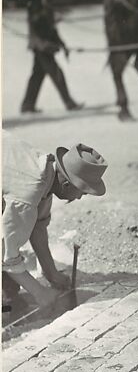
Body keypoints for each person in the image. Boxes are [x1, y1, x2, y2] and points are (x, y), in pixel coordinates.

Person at [2, 131, 108, 308]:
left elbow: (38, 229)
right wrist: (40, 293)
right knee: (8, 293)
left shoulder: (46, 172)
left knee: (11, 287)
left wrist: (52, 274)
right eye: (82, 191)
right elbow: (8, 257)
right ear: (67, 184)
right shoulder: (28, 193)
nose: (80, 197)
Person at [16, 0, 83, 114]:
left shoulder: (46, 7)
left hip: (42, 44)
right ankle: (69, 103)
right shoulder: (37, 6)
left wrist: (62, 44)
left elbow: (51, 29)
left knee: (37, 75)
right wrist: (52, 40)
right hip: (40, 45)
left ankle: (27, 105)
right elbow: (40, 26)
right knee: (56, 72)